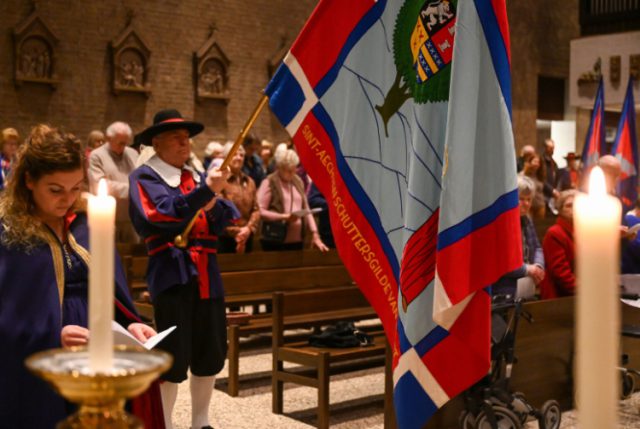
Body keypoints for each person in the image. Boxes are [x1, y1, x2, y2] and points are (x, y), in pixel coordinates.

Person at [0, 124, 164, 428]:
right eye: (56, 190)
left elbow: (110, 292)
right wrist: (50, 337)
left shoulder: (87, 223)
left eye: (76, 187)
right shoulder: (8, 234)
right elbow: (8, 317)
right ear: (29, 181)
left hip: (102, 351)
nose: (68, 199)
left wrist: (132, 325)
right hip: (45, 365)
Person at [129, 109, 238, 429]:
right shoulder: (144, 177)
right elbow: (158, 216)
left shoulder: (192, 176)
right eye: (176, 138)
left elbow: (221, 220)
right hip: (172, 275)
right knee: (172, 357)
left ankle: (200, 422)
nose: (184, 143)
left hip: (207, 275)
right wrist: (205, 194)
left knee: (210, 351)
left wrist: (212, 201)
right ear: (157, 143)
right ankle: (165, 423)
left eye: (187, 137)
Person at [257, 143, 329, 252]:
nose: (291, 173)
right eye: (287, 170)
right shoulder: (269, 182)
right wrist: (284, 217)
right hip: (274, 240)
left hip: (297, 241)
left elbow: (306, 208)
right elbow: (260, 211)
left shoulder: (298, 181)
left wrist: (315, 234)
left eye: (293, 169)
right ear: (279, 167)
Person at [492, 176, 544, 299]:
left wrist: (538, 266)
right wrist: (527, 269)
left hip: (525, 285)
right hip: (502, 290)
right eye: (521, 199)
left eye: (529, 199)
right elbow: (499, 262)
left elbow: (537, 247)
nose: (526, 204)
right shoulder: (500, 222)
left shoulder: (527, 219)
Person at [88, 121, 139, 243]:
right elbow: (100, 185)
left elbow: (141, 179)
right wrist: (133, 189)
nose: (124, 147)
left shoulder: (133, 154)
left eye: (126, 143)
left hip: (131, 218)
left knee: (132, 256)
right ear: (109, 138)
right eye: (120, 143)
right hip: (107, 220)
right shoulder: (96, 156)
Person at [218, 142, 260, 253]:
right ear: (226, 157)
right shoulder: (219, 180)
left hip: (247, 237)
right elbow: (218, 212)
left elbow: (256, 209)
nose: (239, 158)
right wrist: (237, 232)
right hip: (225, 239)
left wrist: (247, 229)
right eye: (235, 154)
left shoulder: (250, 181)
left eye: (241, 155)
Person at [540, 190, 577, 299]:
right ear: (560, 210)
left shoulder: (580, 232)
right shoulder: (555, 233)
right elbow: (561, 275)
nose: (574, 209)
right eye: (569, 206)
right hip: (559, 297)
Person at [518, 152, 546, 219]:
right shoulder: (523, 174)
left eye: (538, 162)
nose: (537, 164)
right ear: (530, 162)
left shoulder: (540, 175)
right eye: (535, 161)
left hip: (540, 204)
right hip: (528, 204)